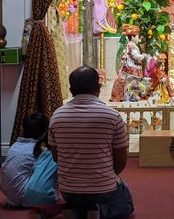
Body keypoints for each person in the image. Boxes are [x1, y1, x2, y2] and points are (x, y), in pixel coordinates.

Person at [49, 66, 134, 219]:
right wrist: (104, 177)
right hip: (103, 190)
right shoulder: (112, 116)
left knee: (81, 199)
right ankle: (99, 212)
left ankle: (76, 210)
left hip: (68, 190)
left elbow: (56, 157)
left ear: (71, 89)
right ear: (98, 87)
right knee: (126, 204)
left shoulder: (57, 116)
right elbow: (121, 161)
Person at [0, 112, 55, 208]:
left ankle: (17, 199)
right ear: (44, 132)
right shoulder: (37, 151)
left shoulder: (15, 146)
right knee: (54, 157)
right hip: (26, 196)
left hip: (8, 193)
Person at [110, 24, 149, 102]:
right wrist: (144, 57)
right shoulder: (131, 45)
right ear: (134, 37)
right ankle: (129, 96)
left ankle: (132, 95)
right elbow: (135, 56)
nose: (138, 38)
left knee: (133, 82)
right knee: (131, 83)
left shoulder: (132, 45)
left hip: (132, 66)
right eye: (138, 36)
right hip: (131, 68)